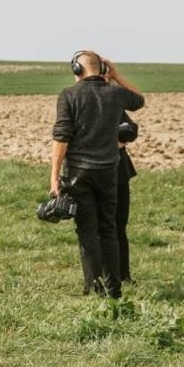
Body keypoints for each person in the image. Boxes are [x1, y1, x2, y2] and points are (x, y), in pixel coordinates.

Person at [50, 51, 145, 298]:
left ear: (76, 70)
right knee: (108, 230)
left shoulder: (69, 95)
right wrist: (116, 76)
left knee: (86, 231)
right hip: (108, 171)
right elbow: (139, 99)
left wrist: (53, 176)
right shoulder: (115, 94)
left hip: (78, 173)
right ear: (102, 68)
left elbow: (61, 137)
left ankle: (92, 287)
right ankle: (114, 288)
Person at [116, 114, 138, 288]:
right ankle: (97, 277)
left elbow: (131, 128)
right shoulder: (76, 99)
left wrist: (120, 139)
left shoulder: (113, 100)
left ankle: (123, 275)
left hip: (119, 172)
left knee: (119, 226)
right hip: (91, 172)